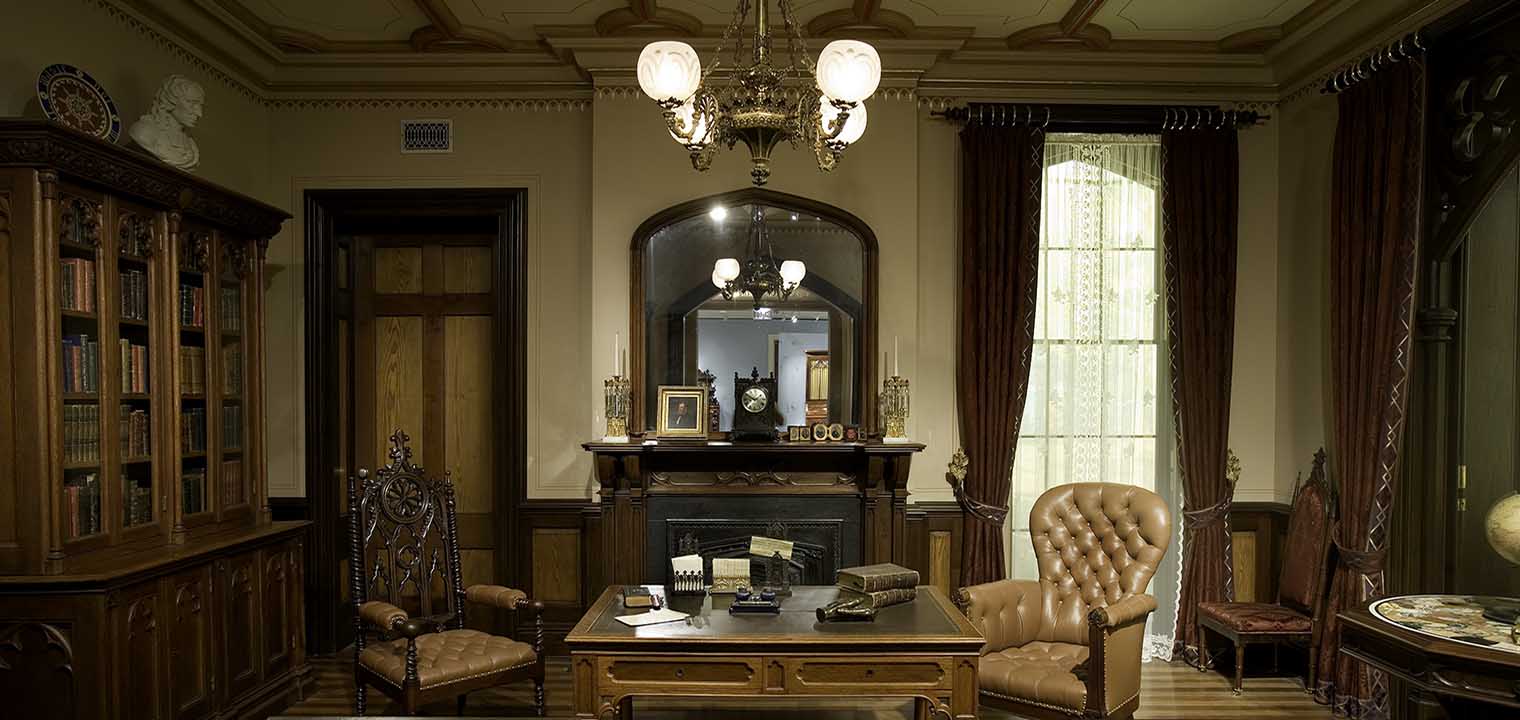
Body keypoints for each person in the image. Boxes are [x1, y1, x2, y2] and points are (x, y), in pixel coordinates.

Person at [128, 75, 205, 171]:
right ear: (171, 100)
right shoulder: (144, 131)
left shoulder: (191, 146)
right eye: (192, 103)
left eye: (200, 105)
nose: (199, 113)